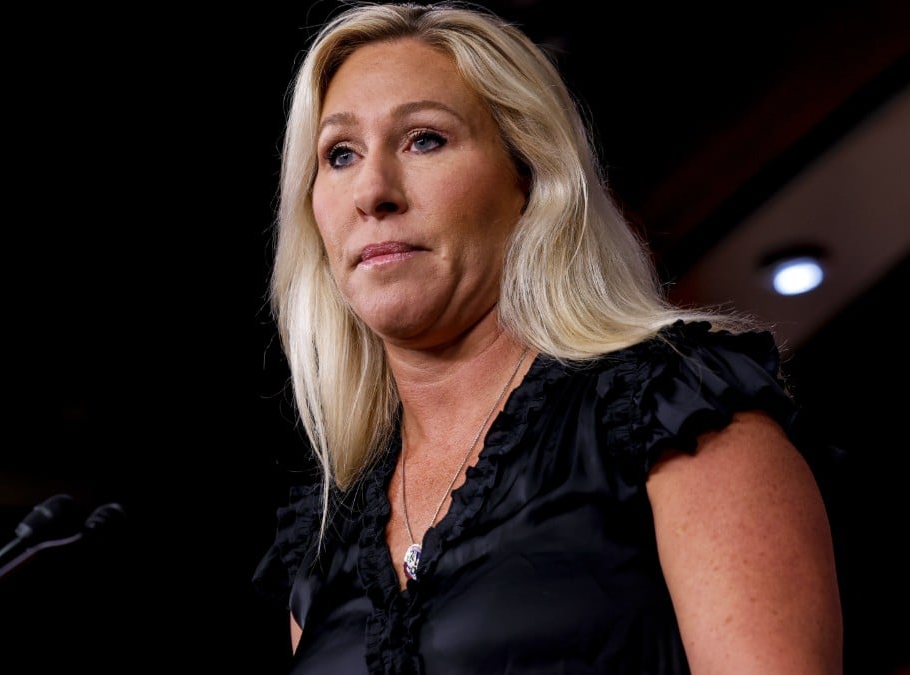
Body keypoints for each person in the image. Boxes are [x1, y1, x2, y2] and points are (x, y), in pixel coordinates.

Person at [252, 2, 844, 673]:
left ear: (528, 179)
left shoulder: (679, 409)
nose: (373, 191)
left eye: (424, 139)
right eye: (340, 154)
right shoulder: (325, 535)